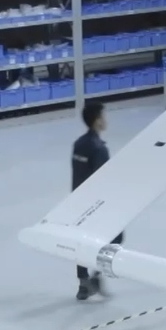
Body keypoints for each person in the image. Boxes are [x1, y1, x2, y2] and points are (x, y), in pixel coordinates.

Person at [72, 101, 121, 300]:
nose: (106, 120)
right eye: (104, 116)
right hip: (96, 205)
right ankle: (96, 276)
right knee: (116, 237)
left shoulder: (79, 144)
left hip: (78, 201)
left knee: (82, 241)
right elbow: (102, 180)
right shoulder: (99, 149)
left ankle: (84, 282)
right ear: (97, 120)